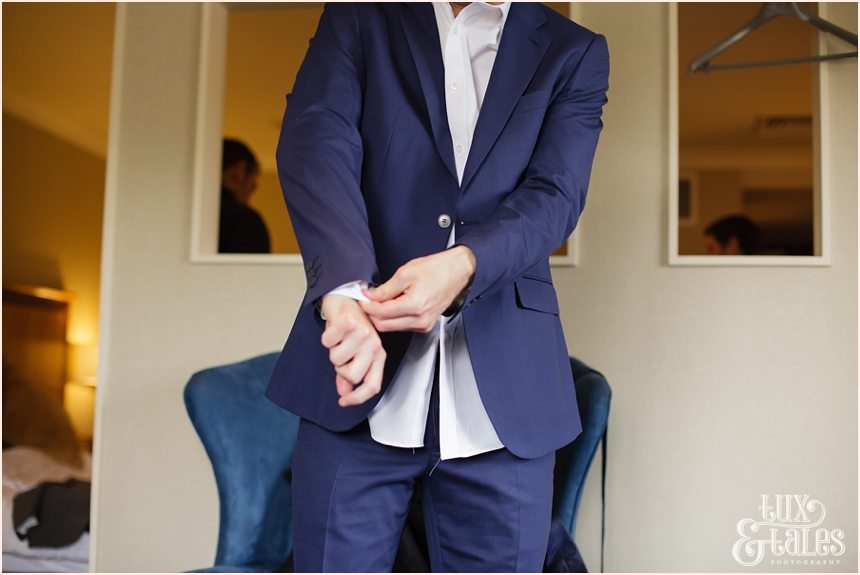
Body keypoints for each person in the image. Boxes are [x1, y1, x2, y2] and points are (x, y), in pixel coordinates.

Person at [265, 3, 609, 572]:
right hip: (356, 377)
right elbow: (316, 137)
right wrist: (344, 294)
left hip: (507, 398)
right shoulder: (359, 15)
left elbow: (556, 193)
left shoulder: (575, 50)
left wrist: (464, 265)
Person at [218, 138, 271, 253]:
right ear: (239, 171)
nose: (255, 186)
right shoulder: (245, 221)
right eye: (255, 174)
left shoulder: (186, 214)